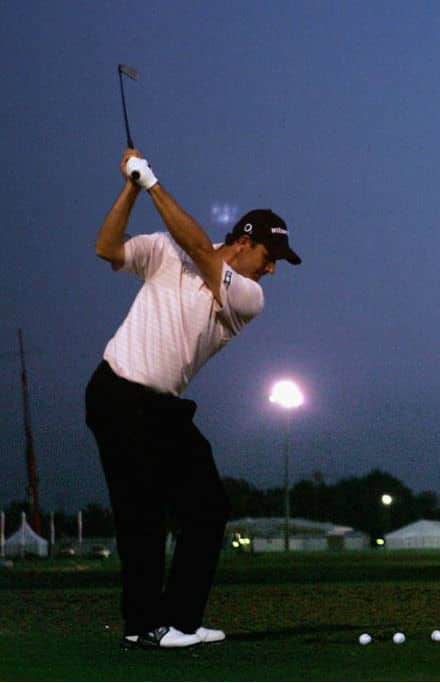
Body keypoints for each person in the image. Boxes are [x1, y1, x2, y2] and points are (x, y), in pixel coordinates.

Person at [86, 149, 301, 649]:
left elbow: (203, 253)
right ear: (245, 242)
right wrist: (131, 188)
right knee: (141, 511)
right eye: (270, 258)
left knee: (207, 507)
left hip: (162, 408)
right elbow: (107, 248)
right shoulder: (166, 250)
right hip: (117, 393)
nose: (272, 271)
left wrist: (152, 182)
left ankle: (180, 621)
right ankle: (144, 627)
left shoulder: (248, 297)